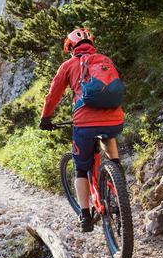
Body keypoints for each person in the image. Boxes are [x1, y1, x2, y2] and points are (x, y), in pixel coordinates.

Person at [39, 28, 124, 232]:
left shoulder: (68, 65)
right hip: (115, 119)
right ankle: (117, 175)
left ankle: (85, 216)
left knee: (81, 168)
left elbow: (53, 96)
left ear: (71, 48)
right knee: (108, 134)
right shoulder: (105, 60)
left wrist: (46, 118)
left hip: (85, 123)